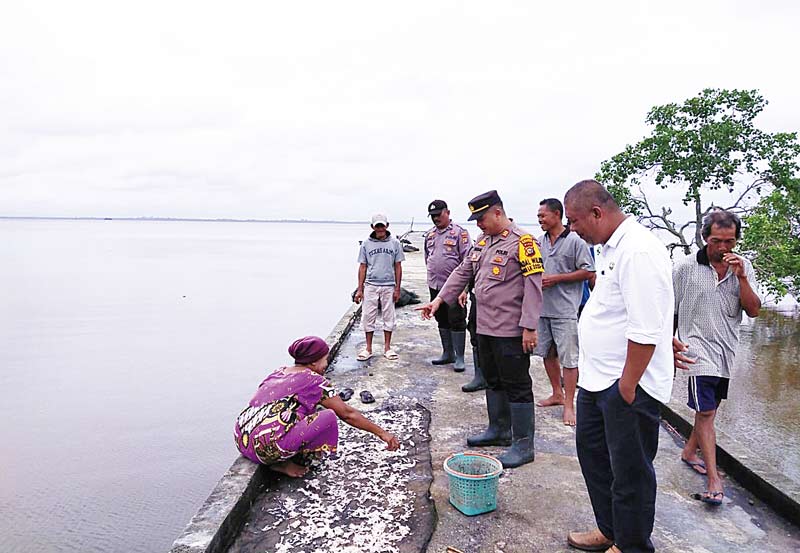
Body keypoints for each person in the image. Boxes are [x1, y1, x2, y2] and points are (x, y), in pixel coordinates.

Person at [564, 180, 674, 553]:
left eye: (575, 220)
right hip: (598, 380)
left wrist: (627, 387)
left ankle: (631, 546)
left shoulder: (639, 250)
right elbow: (629, 310)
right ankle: (610, 529)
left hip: (627, 385)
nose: (572, 229)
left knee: (631, 473)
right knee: (593, 456)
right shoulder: (609, 248)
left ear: (597, 213)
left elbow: (645, 329)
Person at [417, 190, 544, 468]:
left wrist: (530, 327)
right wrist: (438, 300)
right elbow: (463, 271)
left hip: (510, 329)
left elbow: (534, 288)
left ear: (498, 213)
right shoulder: (482, 242)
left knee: (517, 385)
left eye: (482, 218)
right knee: (493, 379)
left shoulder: (524, 243)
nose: (478, 224)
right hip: (485, 326)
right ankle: (498, 430)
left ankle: (523, 445)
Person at [673, 210, 760, 506]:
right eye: (716, 241)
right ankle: (714, 479)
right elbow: (667, 309)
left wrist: (743, 278)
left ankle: (689, 451)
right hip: (695, 350)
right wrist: (666, 346)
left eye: (730, 241)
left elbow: (754, 310)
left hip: (726, 350)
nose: (723, 248)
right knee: (706, 413)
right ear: (704, 238)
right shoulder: (685, 267)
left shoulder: (743, 266)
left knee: (709, 410)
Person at [234, 336, 400, 477]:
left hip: (242, 440)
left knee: (305, 409)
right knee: (327, 415)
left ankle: (279, 461)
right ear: (314, 362)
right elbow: (347, 414)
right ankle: (283, 460)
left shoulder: (279, 372)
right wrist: (382, 433)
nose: (326, 363)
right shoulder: (315, 381)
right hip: (267, 449)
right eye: (325, 359)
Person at [534, 198, 595, 426]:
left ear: (557, 214)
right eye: (538, 216)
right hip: (542, 308)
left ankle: (570, 404)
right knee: (547, 354)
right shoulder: (539, 242)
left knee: (569, 359)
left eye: (543, 215)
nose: (539, 219)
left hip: (565, 310)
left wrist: (557, 278)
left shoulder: (576, 241)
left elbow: (588, 271)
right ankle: (556, 393)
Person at [424, 199, 471, 371]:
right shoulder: (429, 235)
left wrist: (464, 288)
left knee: (457, 320)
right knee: (440, 318)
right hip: (435, 285)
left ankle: (459, 357)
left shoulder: (460, 233)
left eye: (438, 215)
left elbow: (468, 261)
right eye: (433, 216)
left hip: (455, 287)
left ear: (448, 212)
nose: (436, 219)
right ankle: (447, 353)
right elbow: (427, 257)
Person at [354, 213, 405, 360]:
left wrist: (397, 288)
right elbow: (362, 266)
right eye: (377, 226)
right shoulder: (366, 244)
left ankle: (387, 348)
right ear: (372, 227)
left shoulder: (395, 243)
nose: (380, 228)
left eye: (382, 225)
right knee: (368, 316)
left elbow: (398, 266)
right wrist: (360, 288)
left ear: (387, 225)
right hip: (371, 284)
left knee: (389, 316)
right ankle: (368, 348)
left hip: (389, 285)